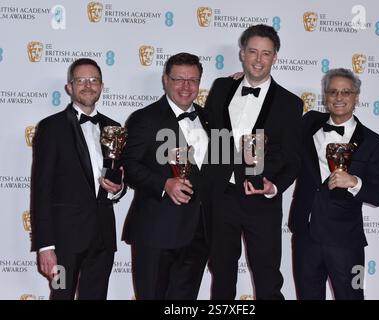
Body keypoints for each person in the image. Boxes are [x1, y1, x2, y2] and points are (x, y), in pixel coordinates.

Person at [205, 24, 303, 299]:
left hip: (261, 201)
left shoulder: (290, 103)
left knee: (268, 277)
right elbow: (210, 137)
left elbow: (293, 159)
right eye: (252, 52)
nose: (258, 60)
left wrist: (273, 187)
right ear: (242, 54)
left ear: (275, 58)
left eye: (266, 53)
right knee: (221, 275)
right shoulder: (223, 87)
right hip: (221, 197)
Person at [288, 68, 379, 300]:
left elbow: (378, 195)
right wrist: (247, 82)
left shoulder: (374, 142)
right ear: (325, 96)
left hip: (347, 242)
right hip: (306, 236)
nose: (339, 97)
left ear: (356, 97)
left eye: (346, 92)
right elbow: (279, 114)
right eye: (333, 92)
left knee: (352, 296)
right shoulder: (309, 123)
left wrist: (354, 182)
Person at [31, 58, 124, 299]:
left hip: (102, 239)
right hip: (63, 242)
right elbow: (41, 190)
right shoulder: (52, 127)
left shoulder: (114, 128)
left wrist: (117, 188)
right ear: (69, 87)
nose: (88, 85)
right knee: (60, 295)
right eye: (81, 80)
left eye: (93, 80)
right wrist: (45, 246)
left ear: (101, 86)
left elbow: (118, 180)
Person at [121, 52, 210, 300]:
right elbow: (128, 165)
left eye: (192, 80)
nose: (186, 86)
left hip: (199, 234)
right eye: (179, 79)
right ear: (165, 81)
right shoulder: (145, 118)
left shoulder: (208, 118)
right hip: (157, 232)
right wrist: (164, 184)